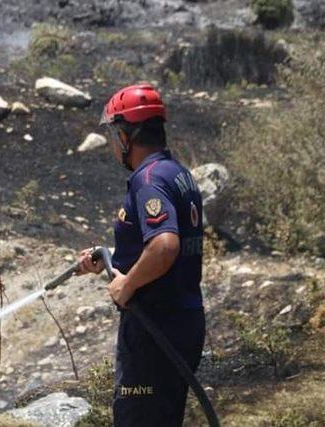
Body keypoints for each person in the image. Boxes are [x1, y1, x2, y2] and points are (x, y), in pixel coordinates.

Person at [77, 84, 205, 426]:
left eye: (113, 134)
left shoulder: (147, 179)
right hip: (183, 322)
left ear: (125, 136)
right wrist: (110, 259)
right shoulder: (177, 174)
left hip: (155, 329)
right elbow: (156, 244)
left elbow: (164, 246)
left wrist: (126, 285)